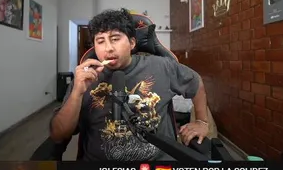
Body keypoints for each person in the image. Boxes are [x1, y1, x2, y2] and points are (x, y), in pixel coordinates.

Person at [51, 8, 212, 161]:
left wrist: (202, 122)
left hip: (157, 166)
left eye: (115, 39)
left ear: (132, 43)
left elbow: (196, 82)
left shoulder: (162, 66)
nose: (108, 48)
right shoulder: (84, 79)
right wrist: (77, 93)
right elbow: (59, 135)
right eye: (100, 41)